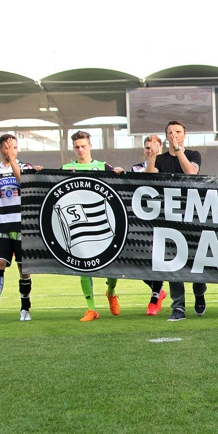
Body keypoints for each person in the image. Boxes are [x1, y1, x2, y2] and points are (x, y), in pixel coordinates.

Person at [0, 134, 42, 324]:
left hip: (22, 226)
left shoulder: (25, 167)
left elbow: (24, 184)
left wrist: (13, 161)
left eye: (12, 147)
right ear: (0, 149)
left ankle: (25, 308)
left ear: (17, 149)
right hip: (1, 224)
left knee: (24, 270)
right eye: (5, 147)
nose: (8, 150)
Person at [145, 121, 207, 320]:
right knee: (174, 262)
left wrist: (179, 150)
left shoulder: (193, 155)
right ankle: (178, 307)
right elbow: (148, 177)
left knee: (197, 262)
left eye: (178, 132)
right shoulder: (161, 159)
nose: (174, 135)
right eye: (171, 133)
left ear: (184, 135)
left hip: (193, 215)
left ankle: (199, 292)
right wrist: (153, 154)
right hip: (169, 218)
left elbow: (191, 173)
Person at [63, 130, 123, 322]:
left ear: (90, 146)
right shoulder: (66, 168)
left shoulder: (102, 166)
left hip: (102, 221)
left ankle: (111, 292)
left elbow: (120, 184)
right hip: (79, 223)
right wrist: (38, 174)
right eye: (77, 147)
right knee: (82, 266)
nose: (80, 150)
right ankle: (91, 308)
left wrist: (119, 173)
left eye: (83, 146)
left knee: (111, 265)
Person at [132, 135, 167, 315]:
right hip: (141, 220)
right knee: (136, 260)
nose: (150, 150)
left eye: (153, 147)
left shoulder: (167, 166)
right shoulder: (136, 168)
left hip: (163, 218)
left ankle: (154, 299)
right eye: (147, 148)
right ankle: (159, 291)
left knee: (158, 258)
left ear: (161, 148)